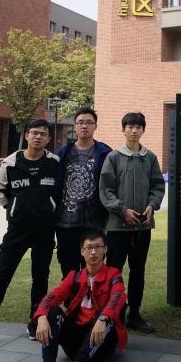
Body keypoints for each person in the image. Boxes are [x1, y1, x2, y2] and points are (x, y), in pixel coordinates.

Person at [0, 120, 60, 351]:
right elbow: (1, 194)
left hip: (45, 230)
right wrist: (17, 210)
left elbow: (58, 192)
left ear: (48, 138)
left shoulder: (54, 163)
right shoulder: (11, 162)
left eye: (43, 134)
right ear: (26, 135)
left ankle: (34, 322)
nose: (38, 137)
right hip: (17, 230)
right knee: (1, 276)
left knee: (40, 277)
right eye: (34, 133)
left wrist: (47, 208)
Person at [31, 229, 127, 362]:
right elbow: (53, 296)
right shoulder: (74, 276)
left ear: (105, 249)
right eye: (89, 248)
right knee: (51, 311)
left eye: (98, 247)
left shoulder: (113, 275)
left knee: (106, 314)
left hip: (101, 345)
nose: (93, 252)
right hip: (73, 344)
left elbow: (118, 297)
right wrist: (41, 317)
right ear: (82, 251)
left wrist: (102, 318)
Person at [99, 111, 165, 334]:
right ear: (123, 130)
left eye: (138, 127)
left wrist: (151, 205)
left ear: (143, 130)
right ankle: (112, 314)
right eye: (130, 127)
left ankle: (134, 314)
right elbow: (105, 190)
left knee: (138, 271)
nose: (134, 131)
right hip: (118, 227)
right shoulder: (113, 157)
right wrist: (122, 210)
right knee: (113, 271)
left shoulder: (150, 157)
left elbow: (158, 186)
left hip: (142, 227)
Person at [55, 107, 112, 277]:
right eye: (80, 122)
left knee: (94, 269)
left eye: (89, 122)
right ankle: (72, 295)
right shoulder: (63, 153)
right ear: (75, 126)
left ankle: (92, 295)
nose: (84, 126)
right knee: (69, 270)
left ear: (95, 126)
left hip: (93, 222)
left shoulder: (105, 153)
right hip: (65, 222)